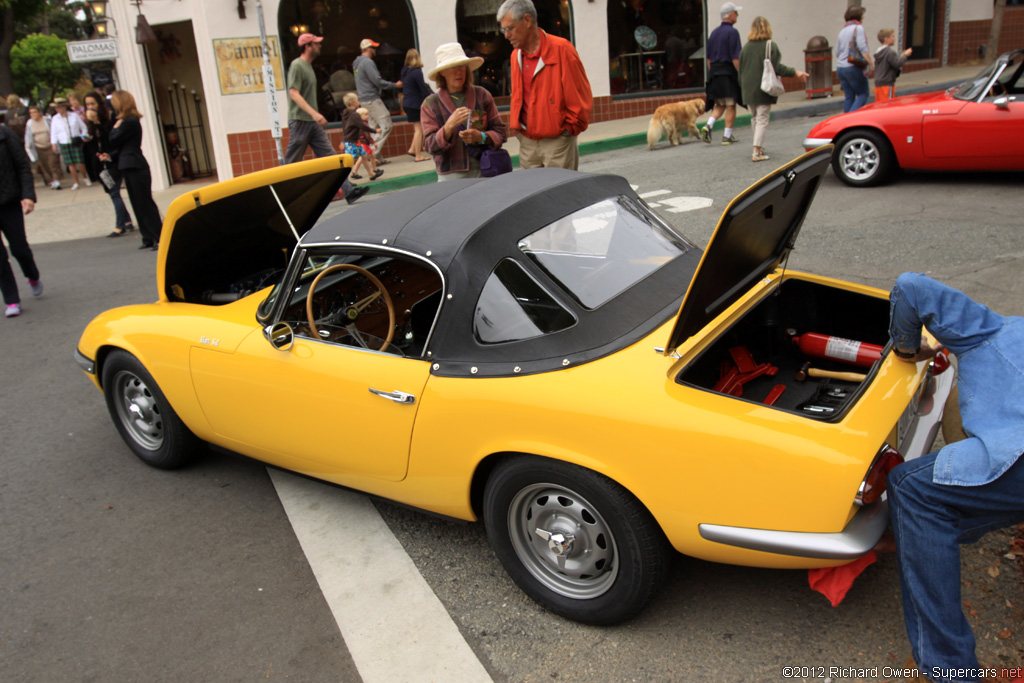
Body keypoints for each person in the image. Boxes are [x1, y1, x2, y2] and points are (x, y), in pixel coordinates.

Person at [885, 273, 1024, 683]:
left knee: (912, 490)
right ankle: (933, 536)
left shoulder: (990, 330)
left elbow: (910, 286)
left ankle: (949, 670)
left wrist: (909, 348)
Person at [498, 0, 592, 170]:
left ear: (527, 21)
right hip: (527, 143)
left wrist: (566, 132)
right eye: (503, 29)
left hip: (557, 143)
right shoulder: (515, 56)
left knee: (560, 195)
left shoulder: (562, 50)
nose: (506, 35)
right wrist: (520, 133)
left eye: (509, 28)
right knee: (533, 195)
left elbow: (580, 97)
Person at [284, 32, 367, 205]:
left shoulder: (308, 67)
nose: (320, 46)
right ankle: (282, 197)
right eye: (316, 43)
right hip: (300, 121)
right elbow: (293, 92)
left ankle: (349, 190)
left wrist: (315, 115)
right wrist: (314, 113)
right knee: (292, 162)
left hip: (311, 123)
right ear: (308, 46)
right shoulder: (297, 65)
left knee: (330, 158)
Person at [421, 42, 507, 181]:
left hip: (485, 169)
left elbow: (501, 133)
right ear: (442, 72)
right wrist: (448, 127)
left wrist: (481, 137)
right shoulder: (431, 104)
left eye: (462, 66)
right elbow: (430, 146)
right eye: (452, 67)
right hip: (450, 175)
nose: (459, 72)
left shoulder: (482, 95)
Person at [738, 17, 808, 162]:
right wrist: (796, 72)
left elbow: (741, 70)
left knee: (755, 118)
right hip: (763, 87)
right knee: (762, 119)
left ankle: (758, 146)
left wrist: (742, 86)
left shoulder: (746, 48)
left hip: (747, 88)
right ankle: (756, 151)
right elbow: (778, 68)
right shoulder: (770, 45)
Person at [99, 90, 163, 250]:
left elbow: (113, 139)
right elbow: (121, 147)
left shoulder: (129, 122)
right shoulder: (124, 122)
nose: (112, 106)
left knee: (145, 202)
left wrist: (114, 125)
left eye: (114, 102)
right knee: (136, 203)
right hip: (127, 163)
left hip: (136, 165)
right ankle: (147, 237)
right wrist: (110, 156)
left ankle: (159, 236)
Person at [0, 121, 41, 318]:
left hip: (9, 201)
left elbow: (23, 166)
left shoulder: (4, 135)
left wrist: (28, 195)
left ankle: (32, 275)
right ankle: (11, 299)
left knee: (19, 248)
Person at [83, 90, 135, 238]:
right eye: (87, 105)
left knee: (114, 192)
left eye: (93, 103)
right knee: (110, 191)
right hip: (101, 160)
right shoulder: (89, 120)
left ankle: (120, 226)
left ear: (99, 104)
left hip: (114, 158)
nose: (90, 107)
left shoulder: (111, 117)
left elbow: (111, 138)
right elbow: (94, 141)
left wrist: (98, 123)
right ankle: (127, 221)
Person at [700, 2, 744, 145]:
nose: (737, 15)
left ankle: (708, 125)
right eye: (736, 12)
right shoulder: (733, 32)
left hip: (715, 72)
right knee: (731, 104)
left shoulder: (713, 33)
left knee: (720, 103)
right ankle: (727, 136)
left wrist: (712, 72)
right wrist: (741, 74)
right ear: (730, 14)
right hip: (727, 72)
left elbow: (708, 58)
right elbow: (735, 57)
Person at [353, 38, 402, 163]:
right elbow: (377, 81)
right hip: (372, 99)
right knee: (386, 125)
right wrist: (395, 85)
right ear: (368, 49)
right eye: (373, 48)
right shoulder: (367, 62)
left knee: (373, 128)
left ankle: (376, 157)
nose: (375, 50)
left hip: (363, 100)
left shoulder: (356, 63)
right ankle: (372, 154)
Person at [836, 6, 874, 113]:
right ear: (859, 17)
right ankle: (850, 119)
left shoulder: (842, 31)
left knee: (849, 96)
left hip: (840, 68)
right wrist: (870, 63)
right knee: (863, 94)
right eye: (862, 15)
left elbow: (837, 52)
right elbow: (862, 47)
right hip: (853, 67)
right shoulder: (858, 28)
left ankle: (844, 121)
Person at [49, 97, 91, 190]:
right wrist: (54, 144)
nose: (57, 109)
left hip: (74, 140)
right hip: (64, 142)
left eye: (59, 107)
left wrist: (82, 136)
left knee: (80, 161)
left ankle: (85, 177)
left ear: (64, 107)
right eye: (56, 108)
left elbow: (83, 127)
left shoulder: (74, 116)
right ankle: (76, 182)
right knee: (70, 163)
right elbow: (53, 132)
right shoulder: (55, 118)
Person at [401, 48, 433, 162]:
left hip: (407, 102)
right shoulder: (416, 72)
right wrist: (431, 97)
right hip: (415, 103)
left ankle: (412, 149)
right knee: (419, 129)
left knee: (416, 127)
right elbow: (422, 89)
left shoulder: (405, 72)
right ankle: (418, 155)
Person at [340, 95, 382, 181]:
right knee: (351, 160)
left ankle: (371, 173)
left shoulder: (345, 114)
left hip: (354, 140)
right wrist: (375, 131)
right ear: (353, 102)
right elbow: (363, 126)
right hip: (351, 141)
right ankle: (344, 178)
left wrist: (342, 140)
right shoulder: (354, 115)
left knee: (364, 156)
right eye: (358, 100)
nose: (359, 102)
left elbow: (344, 128)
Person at [23, 106, 63, 190]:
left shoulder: (47, 120)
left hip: (50, 145)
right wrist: (28, 146)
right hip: (39, 147)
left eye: (34, 112)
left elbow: (54, 131)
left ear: (39, 112)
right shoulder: (30, 123)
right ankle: (52, 180)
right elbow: (28, 136)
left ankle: (57, 180)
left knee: (52, 164)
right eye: (31, 113)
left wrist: (55, 143)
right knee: (45, 165)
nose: (33, 114)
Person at [874, 29, 912, 102]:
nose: (894, 38)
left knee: (879, 105)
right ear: (886, 39)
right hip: (887, 82)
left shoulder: (879, 52)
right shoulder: (889, 51)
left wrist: (901, 57)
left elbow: (890, 62)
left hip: (878, 82)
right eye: (893, 36)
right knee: (888, 104)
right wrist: (906, 55)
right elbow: (897, 64)